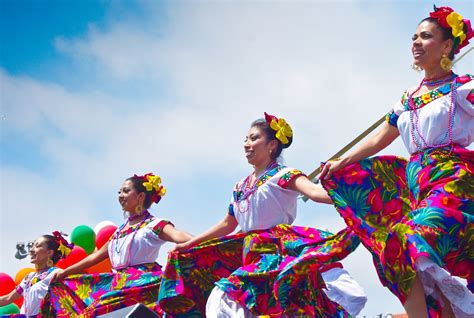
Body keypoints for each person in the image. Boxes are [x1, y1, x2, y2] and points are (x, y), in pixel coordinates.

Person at [319, 6, 473, 317]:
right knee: (394, 247)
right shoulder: (407, 99)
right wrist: (341, 162)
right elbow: (380, 139)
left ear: (446, 46)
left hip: (453, 180)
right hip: (418, 187)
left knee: (408, 239)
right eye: (414, 36)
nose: (416, 42)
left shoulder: (464, 88)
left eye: (425, 36)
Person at [159, 113, 366, 317]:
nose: (247, 144)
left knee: (225, 295)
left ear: (272, 145)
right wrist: (191, 244)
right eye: (246, 139)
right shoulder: (240, 187)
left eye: (254, 138)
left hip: (276, 252)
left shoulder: (283, 175)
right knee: (256, 304)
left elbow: (315, 193)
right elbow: (227, 224)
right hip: (250, 253)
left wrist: (355, 197)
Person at [43, 173, 193, 317]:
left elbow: (179, 235)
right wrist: (65, 272)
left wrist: (203, 240)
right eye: (119, 192)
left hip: (143, 284)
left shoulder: (154, 225)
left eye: (126, 191)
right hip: (117, 283)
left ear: (141, 196)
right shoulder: (118, 233)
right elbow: (95, 257)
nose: (120, 195)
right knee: (72, 299)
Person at [0, 232, 71, 317]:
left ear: (49, 252)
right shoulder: (29, 277)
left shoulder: (55, 274)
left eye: (37, 246)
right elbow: (7, 298)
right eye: (32, 246)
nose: (31, 250)